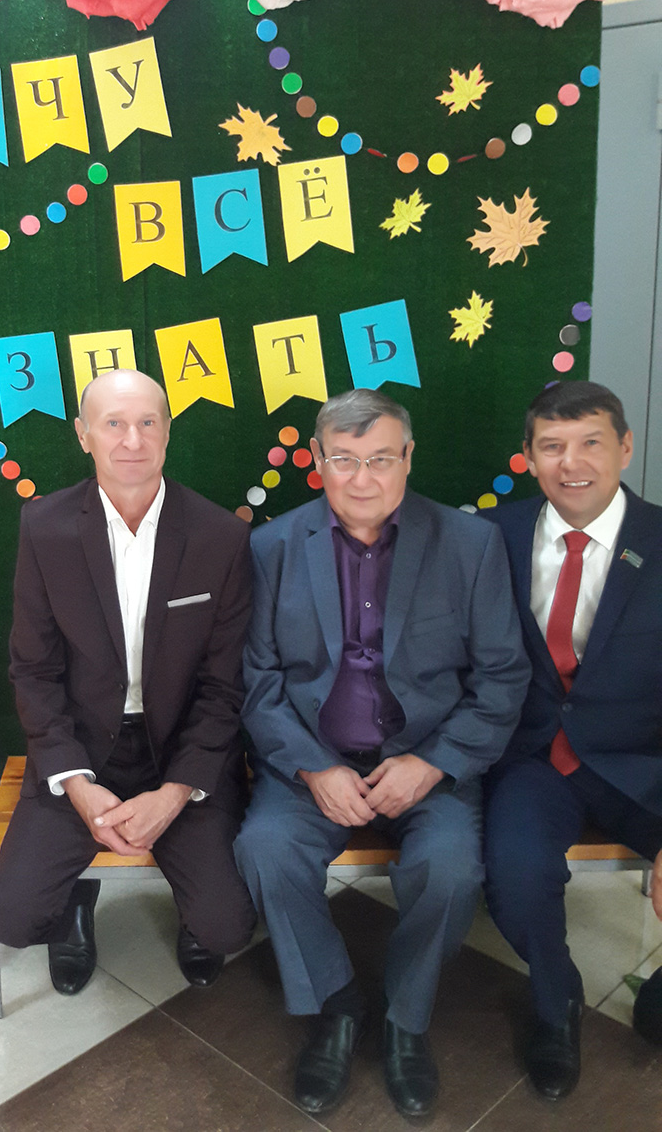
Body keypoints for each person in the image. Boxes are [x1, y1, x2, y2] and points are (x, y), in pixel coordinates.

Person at [235, 389, 530, 1118]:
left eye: (380, 460)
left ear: (408, 457)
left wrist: (433, 763)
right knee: (265, 849)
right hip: (313, 761)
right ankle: (335, 1002)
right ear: (317, 460)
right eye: (344, 460)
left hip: (429, 761)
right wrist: (312, 766)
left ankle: (405, 1016)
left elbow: (502, 677)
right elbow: (258, 681)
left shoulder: (470, 544)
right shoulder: (273, 546)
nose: (362, 478)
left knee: (451, 869)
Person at [0, 368, 256, 997]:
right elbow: (34, 670)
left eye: (147, 423)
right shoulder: (44, 527)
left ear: (167, 432)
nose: (132, 440)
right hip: (81, 750)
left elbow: (224, 685)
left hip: (182, 753)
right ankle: (74, 902)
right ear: (84, 436)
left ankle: (193, 911)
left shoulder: (221, 535)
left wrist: (176, 792)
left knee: (226, 926)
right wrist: (77, 786)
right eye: (113, 424)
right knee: (13, 919)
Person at [483, 381, 662, 1098]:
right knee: (515, 875)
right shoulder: (490, 537)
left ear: (625, 447)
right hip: (533, 757)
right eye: (552, 446)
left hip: (645, 759)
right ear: (529, 457)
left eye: (591, 442)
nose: (572, 463)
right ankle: (556, 1000)